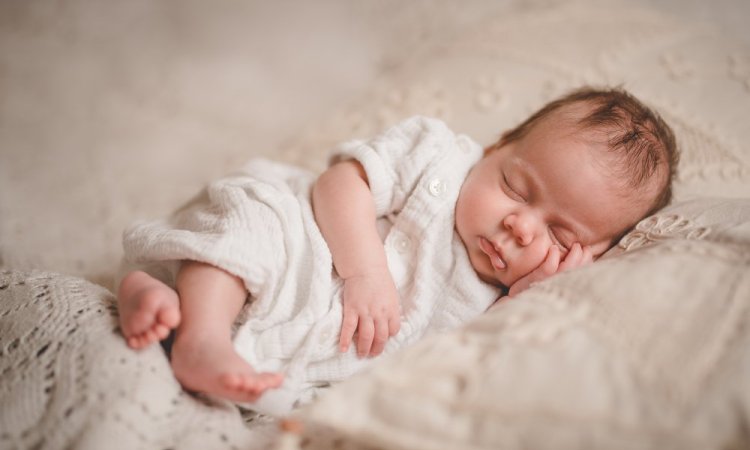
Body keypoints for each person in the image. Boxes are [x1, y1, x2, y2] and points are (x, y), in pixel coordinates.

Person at [116, 86, 678, 413]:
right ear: (494, 147)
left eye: (561, 236)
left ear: (592, 256)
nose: (520, 226)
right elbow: (339, 183)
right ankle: (202, 336)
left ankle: (156, 299)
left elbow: (470, 360)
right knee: (253, 223)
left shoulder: (513, 299)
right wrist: (362, 270)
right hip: (305, 245)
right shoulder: (439, 159)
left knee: (318, 395)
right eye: (516, 188)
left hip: (315, 343)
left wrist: (528, 299)